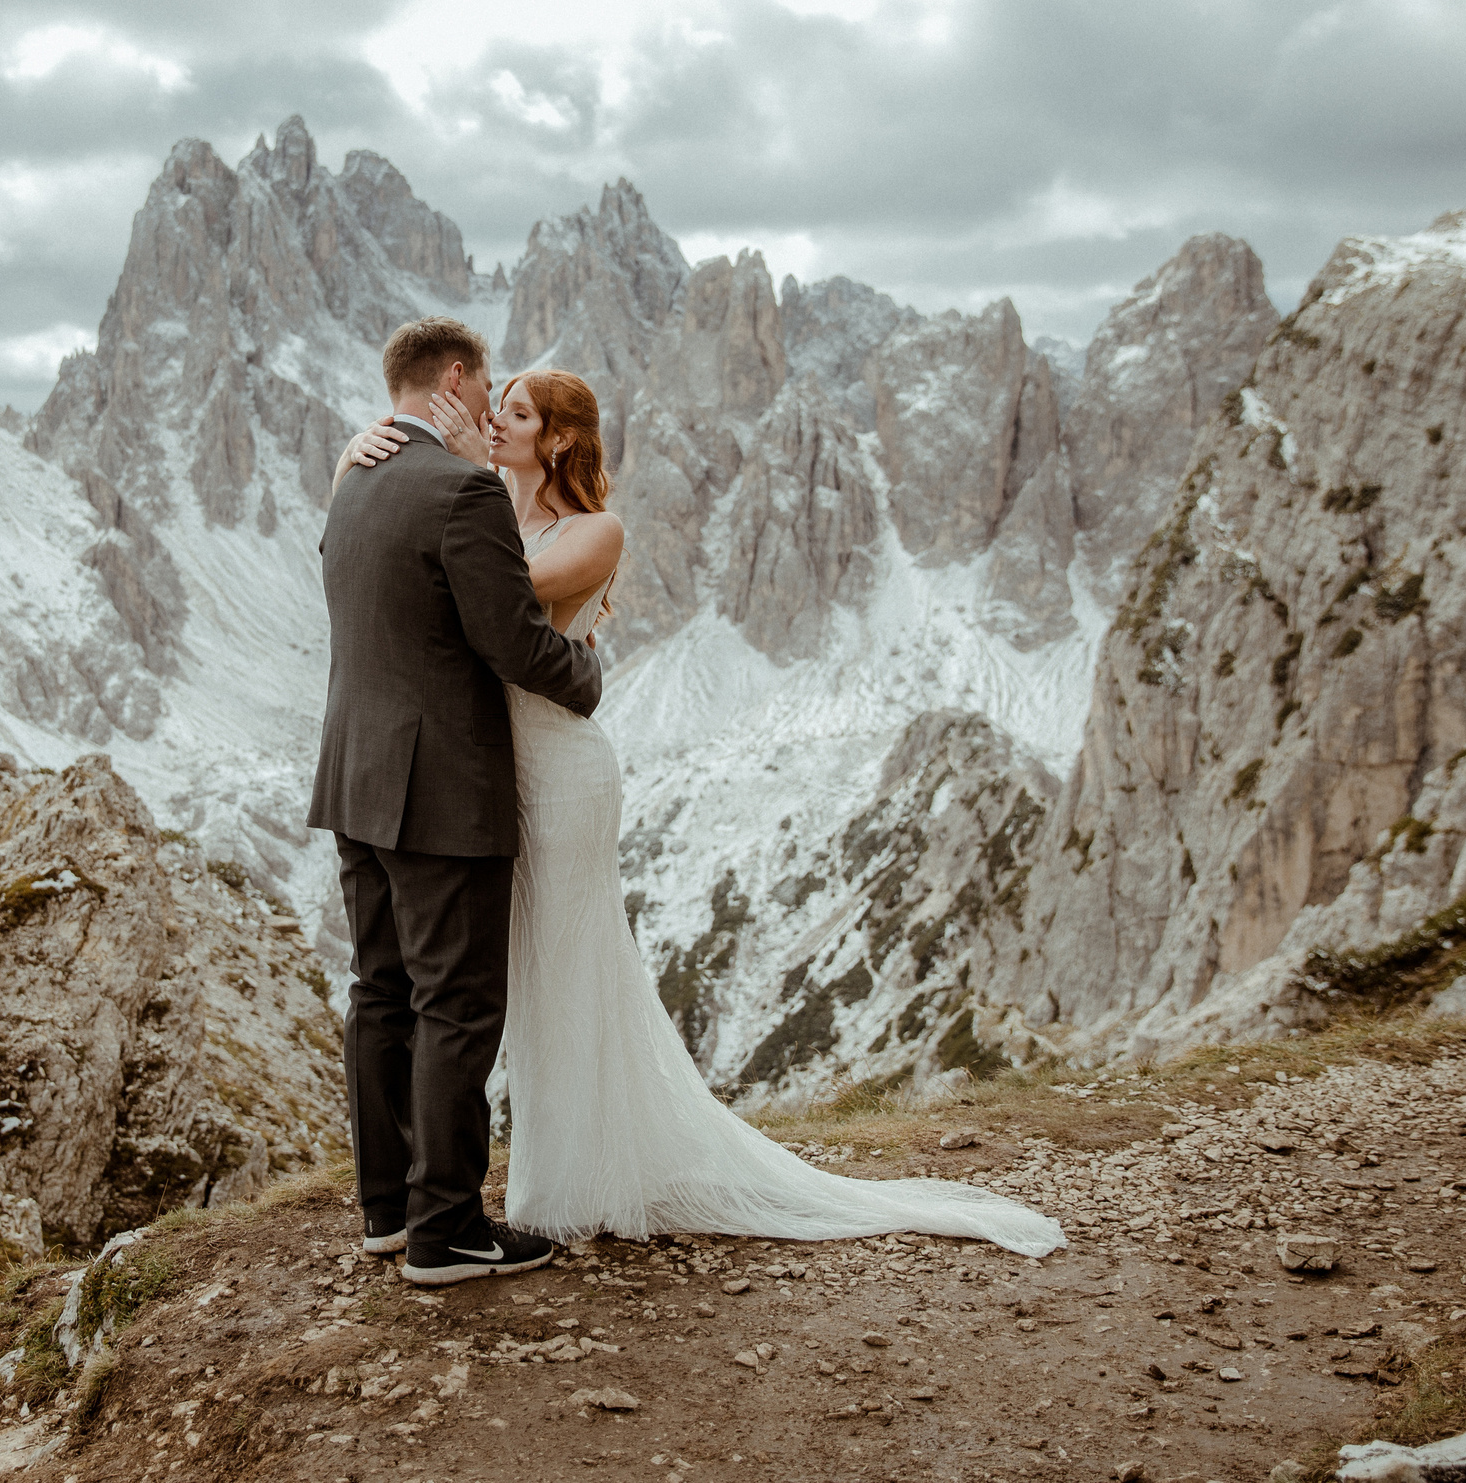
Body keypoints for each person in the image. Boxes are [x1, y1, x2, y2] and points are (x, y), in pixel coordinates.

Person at [335, 365, 1067, 1260]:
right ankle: (505, 1186)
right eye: (498, 406)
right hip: (481, 771)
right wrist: (373, 460)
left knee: (565, 971)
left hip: (556, 773)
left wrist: (437, 469)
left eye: (516, 413)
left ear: (559, 438)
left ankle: (578, 1180)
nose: (493, 420)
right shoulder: (481, 501)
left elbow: (491, 593)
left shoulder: (591, 529)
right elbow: (450, 557)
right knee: (501, 986)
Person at [309, 318, 600, 1288]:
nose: (490, 408)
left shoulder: (355, 478)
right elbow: (512, 641)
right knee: (457, 1006)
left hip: (355, 776)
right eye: (486, 390)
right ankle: (448, 1232)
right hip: (441, 789)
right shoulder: (462, 487)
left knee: (379, 995)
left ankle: (386, 1213)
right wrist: (587, 677)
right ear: (456, 378)